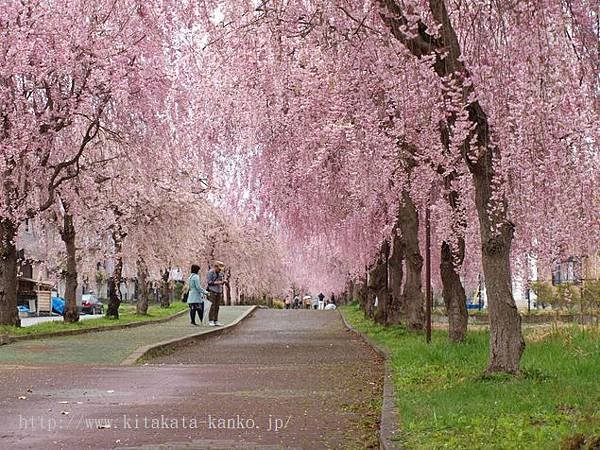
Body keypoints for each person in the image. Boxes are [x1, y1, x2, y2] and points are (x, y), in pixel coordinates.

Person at [206, 260, 226, 326]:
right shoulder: (210, 272)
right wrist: (218, 282)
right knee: (212, 306)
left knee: (217, 306)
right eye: (219, 268)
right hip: (212, 291)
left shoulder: (221, 273)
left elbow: (221, 281)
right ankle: (211, 320)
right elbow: (209, 282)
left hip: (219, 290)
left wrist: (223, 281)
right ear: (216, 267)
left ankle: (216, 320)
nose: (220, 270)